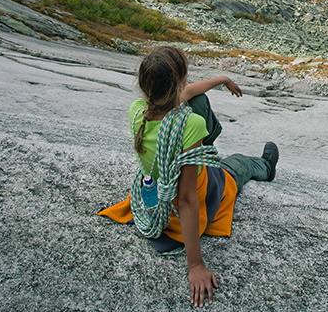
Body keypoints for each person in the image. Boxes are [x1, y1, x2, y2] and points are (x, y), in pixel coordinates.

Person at [104, 45, 278, 308]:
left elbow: (185, 94)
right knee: (239, 164)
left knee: (198, 100)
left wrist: (222, 79)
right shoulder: (190, 125)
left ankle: (207, 151)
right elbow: (186, 199)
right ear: (181, 82)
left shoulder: (137, 111)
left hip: (154, 190)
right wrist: (195, 265)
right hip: (187, 200)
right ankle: (266, 167)